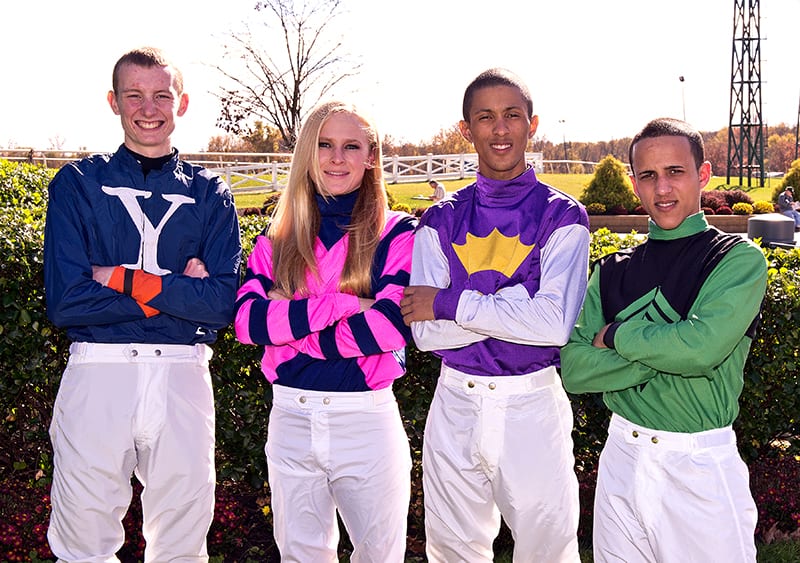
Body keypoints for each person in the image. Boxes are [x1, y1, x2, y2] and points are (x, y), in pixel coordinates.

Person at [43, 47, 242, 561]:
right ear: (114, 101)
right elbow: (67, 303)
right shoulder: (77, 184)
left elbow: (221, 304)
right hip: (98, 372)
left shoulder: (210, 191)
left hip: (181, 374)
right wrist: (175, 295)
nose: (148, 107)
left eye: (161, 95)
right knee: (83, 542)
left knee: (182, 543)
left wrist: (120, 280)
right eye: (134, 94)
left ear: (182, 103)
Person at [400, 68, 590, 562]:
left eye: (512, 116)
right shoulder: (439, 218)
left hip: (532, 403)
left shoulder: (563, 215)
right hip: (454, 401)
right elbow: (423, 334)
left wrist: (451, 302)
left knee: (546, 548)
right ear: (466, 129)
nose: (500, 129)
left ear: (533, 124)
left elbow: (552, 324)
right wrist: (516, 311)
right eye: (485, 118)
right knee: (453, 548)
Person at [561, 117, 767, 562]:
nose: (662, 188)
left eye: (675, 172)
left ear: (703, 175)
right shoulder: (613, 268)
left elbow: (702, 351)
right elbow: (575, 371)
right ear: (634, 183)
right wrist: (671, 348)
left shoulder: (737, 259)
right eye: (649, 176)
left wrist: (616, 335)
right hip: (621, 458)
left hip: (698, 464)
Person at [234, 100, 416, 562]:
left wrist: (291, 328)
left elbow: (389, 327)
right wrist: (343, 304)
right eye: (324, 145)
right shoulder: (275, 242)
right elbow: (248, 323)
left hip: (367, 420)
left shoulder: (399, 234)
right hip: (291, 418)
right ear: (307, 155)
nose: (337, 158)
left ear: (371, 156)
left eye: (351, 146)